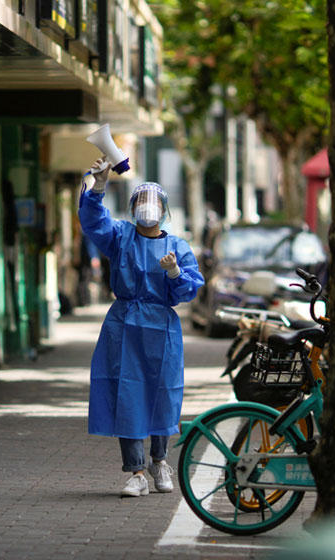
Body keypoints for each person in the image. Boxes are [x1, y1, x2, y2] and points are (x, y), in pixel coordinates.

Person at [78, 162, 204, 497]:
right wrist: (99, 187)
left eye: (154, 201)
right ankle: (135, 472)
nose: (148, 207)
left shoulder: (177, 247)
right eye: (141, 200)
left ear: (164, 210)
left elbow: (189, 289)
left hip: (161, 328)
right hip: (124, 326)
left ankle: (159, 460)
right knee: (128, 395)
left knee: (163, 395)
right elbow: (93, 222)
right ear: (133, 209)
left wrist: (175, 273)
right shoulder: (121, 237)